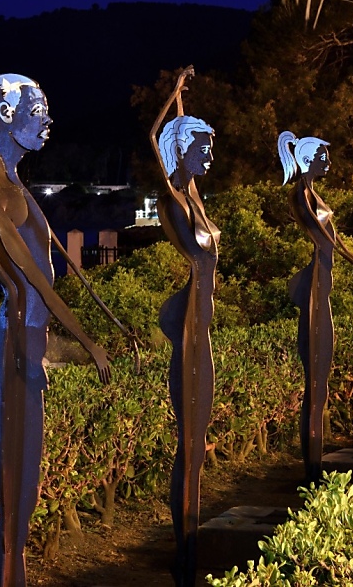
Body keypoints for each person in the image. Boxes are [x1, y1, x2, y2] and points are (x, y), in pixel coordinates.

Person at [0, 74, 111, 587]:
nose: (46, 120)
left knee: (29, 482)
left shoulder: (17, 185)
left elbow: (49, 271)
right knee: (16, 482)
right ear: (6, 116)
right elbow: (35, 287)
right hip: (16, 336)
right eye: (37, 110)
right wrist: (87, 343)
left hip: (31, 337)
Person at [278, 130, 353, 481]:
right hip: (313, 288)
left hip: (323, 288)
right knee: (315, 385)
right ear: (310, 159)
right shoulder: (300, 195)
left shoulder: (314, 193)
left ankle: (315, 468)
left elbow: (340, 243)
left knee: (322, 385)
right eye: (325, 157)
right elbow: (331, 244)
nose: (330, 162)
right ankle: (311, 471)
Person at [146, 68, 218, 587]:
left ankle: (191, 545)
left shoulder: (195, 198)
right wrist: (173, 96)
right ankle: (183, 550)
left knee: (199, 442)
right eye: (203, 146)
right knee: (187, 445)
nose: (210, 155)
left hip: (205, 330)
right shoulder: (174, 199)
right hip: (187, 328)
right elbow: (157, 138)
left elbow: (177, 144)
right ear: (182, 151)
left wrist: (182, 105)